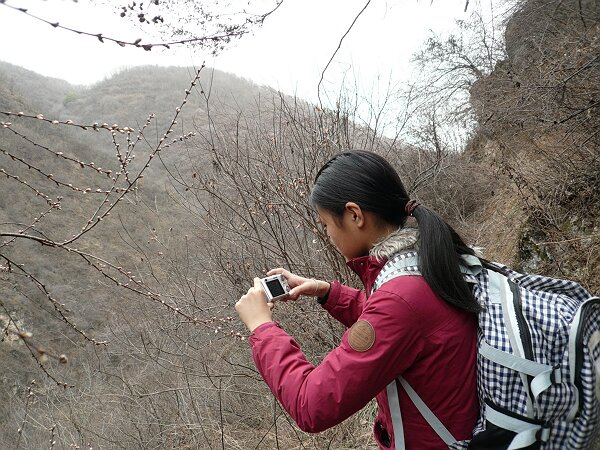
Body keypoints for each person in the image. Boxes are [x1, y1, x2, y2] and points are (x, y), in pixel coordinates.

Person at [235, 150, 480, 449]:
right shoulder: (428, 258)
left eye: (326, 224)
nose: (327, 235)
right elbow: (402, 325)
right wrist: (327, 292)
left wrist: (262, 328)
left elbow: (311, 405)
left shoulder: (400, 300)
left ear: (354, 215)